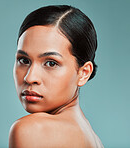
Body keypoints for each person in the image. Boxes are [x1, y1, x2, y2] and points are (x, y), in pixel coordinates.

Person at [9, 5, 104, 148]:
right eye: (24, 60)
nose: (30, 78)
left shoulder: (32, 130)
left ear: (84, 73)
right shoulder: (92, 138)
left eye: (51, 63)